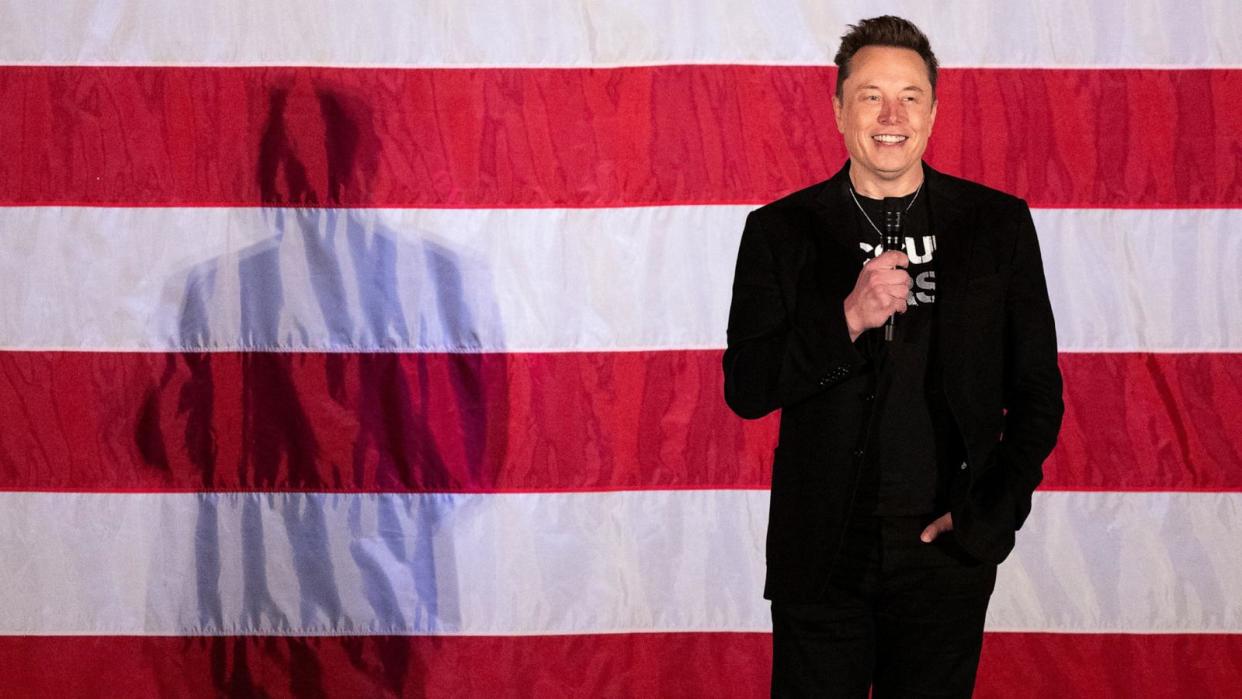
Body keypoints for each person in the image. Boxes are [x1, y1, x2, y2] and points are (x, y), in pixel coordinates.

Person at [722, 15, 1064, 697]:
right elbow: (747, 386)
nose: (890, 115)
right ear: (838, 108)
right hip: (822, 555)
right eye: (870, 94)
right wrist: (847, 318)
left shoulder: (996, 225)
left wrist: (991, 513)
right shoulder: (781, 229)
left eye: (909, 96)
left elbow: (1037, 392)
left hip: (945, 552)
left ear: (934, 111)